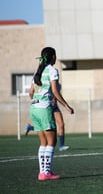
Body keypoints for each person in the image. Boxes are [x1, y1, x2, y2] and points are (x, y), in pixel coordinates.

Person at [29, 47, 74, 181]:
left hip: (34, 109)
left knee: (43, 142)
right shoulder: (52, 70)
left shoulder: (38, 71)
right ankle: (46, 172)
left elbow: (30, 93)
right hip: (44, 109)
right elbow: (55, 91)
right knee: (52, 141)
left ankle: (42, 172)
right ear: (53, 57)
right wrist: (66, 106)